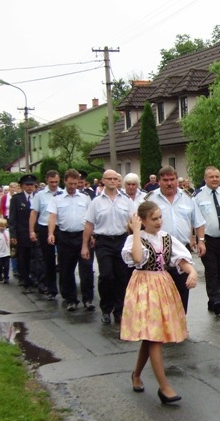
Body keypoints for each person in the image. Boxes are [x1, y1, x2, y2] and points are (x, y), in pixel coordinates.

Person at [121, 201, 198, 404]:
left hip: (162, 286)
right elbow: (137, 258)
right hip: (143, 287)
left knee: (151, 336)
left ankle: (136, 375)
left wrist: (192, 272)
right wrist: (136, 231)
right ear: (142, 220)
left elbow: (181, 259)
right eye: (154, 219)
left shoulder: (166, 238)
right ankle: (164, 387)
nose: (158, 222)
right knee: (154, 337)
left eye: (160, 217)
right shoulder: (134, 239)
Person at [145, 166, 205, 312]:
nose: (169, 183)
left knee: (182, 288)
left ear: (177, 180)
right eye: (165, 180)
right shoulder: (150, 199)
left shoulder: (187, 198)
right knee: (160, 290)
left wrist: (201, 241)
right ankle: (163, 320)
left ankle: (180, 319)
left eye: (172, 179)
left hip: (182, 248)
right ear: (159, 181)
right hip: (158, 250)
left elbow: (198, 221)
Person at [82, 169, 137, 324]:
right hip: (103, 241)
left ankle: (119, 310)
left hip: (121, 240)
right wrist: (84, 246)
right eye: (109, 179)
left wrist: (137, 240)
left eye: (115, 179)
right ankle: (106, 309)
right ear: (103, 181)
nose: (113, 181)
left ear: (118, 181)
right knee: (106, 275)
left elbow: (134, 221)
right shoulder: (96, 202)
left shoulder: (126, 201)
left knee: (121, 276)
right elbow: (89, 224)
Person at [47, 169, 95, 312]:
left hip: (82, 236)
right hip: (65, 237)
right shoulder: (57, 199)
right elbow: (52, 217)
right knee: (66, 270)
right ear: (65, 182)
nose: (73, 186)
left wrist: (92, 235)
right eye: (70, 184)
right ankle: (71, 300)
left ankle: (88, 299)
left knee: (86, 269)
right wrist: (50, 233)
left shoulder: (85, 198)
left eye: (76, 183)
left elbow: (91, 219)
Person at [194, 166, 220, 316]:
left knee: (219, 270)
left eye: (217, 176)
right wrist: (196, 239)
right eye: (211, 177)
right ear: (205, 178)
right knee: (211, 270)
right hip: (207, 240)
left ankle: (212, 300)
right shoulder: (198, 196)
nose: (215, 179)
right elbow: (194, 219)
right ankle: (216, 300)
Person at [29, 170, 62, 299]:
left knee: (64, 259)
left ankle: (65, 288)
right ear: (46, 181)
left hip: (60, 228)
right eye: (51, 182)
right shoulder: (40, 195)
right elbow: (34, 213)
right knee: (48, 259)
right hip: (44, 227)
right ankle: (51, 288)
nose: (54, 184)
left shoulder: (63, 193)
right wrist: (32, 231)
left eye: (56, 182)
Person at [9, 174, 38, 293]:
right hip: (22, 234)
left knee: (36, 258)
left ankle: (35, 279)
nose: (30, 187)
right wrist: (13, 235)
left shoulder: (38, 197)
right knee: (23, 258)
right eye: (27, 184)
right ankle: (26, 281)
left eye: (32, 184)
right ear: (22, 186)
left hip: (36, 233)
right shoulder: (16, 199)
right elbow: (12, 218)